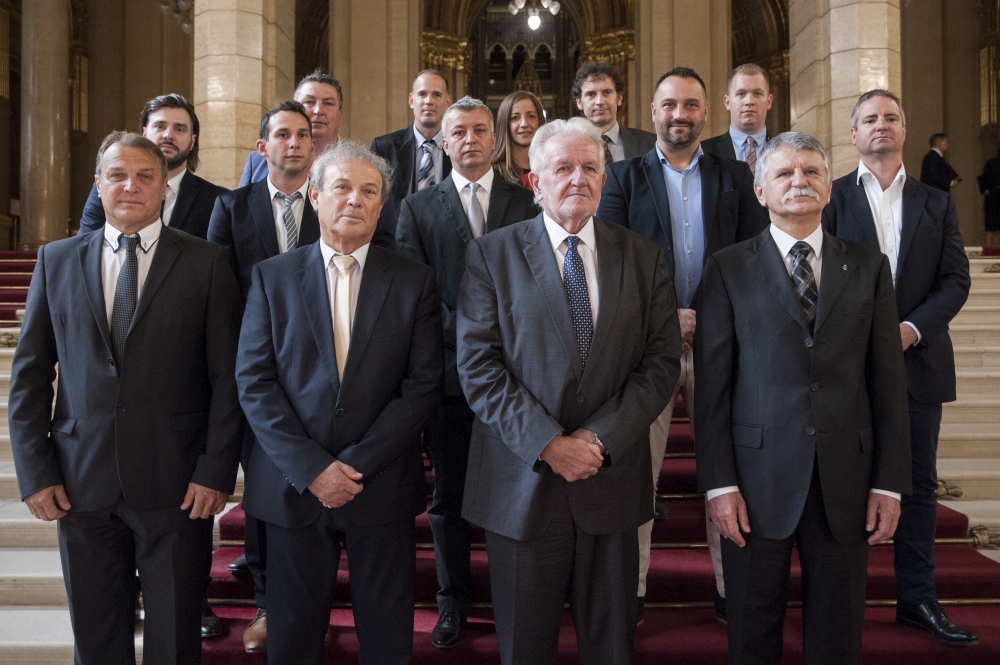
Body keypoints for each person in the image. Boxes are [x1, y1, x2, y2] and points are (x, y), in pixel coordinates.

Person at [9, 131, 243, 665]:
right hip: (79, 480)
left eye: (144, 176)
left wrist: (214, 471)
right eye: (117, 175)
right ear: (99, 185)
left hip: (176, 483)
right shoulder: (56, 260)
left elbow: (227, 379)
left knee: (175, 638)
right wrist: (35, 472)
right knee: (96, 639)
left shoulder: (207, 262)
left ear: (163, 188)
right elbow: (30, 376)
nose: (130, 186)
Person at [457, 117, 681, 665]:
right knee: (525, 650)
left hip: (611, 481)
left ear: (604, 179)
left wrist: (599, 439)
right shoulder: (492, 255)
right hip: (523, 484)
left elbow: (660, 363)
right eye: (563, 168)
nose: (578, 178)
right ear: (535, 182)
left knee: (611, 648)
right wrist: (550, 444)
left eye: (589, 167)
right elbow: (479, 367)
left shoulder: (644, 257)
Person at [697, 131, 912, 665]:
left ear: (830, 188)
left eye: (812, 171)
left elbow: (887, 383)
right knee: (752, 631)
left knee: (838, 635)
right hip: (755, 481)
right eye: (785, 173)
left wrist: (889, 483)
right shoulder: (727, 268)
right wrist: (720, 484)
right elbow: (713, 389)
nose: (800, 181)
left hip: (846, 480)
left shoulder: (869, 267)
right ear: (760, 191)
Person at [236, 140, 443, 665]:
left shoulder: (413, 281)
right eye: (343, 187)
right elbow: (255, 381)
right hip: (293, 488)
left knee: (387, 637)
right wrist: (313, 469)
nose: (355, 199)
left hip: (380, 485)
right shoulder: (272, 276)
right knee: (293, 638)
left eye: (369, 191)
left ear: (382, 205)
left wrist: (354, 466)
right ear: (314, 195)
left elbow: (422, 385)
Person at [596, 66, 769, 623]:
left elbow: (754, 258)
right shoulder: (621, 177)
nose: (680, 115)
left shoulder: (735, 177)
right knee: (637, 476)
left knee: (728, 472)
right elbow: (612, 262)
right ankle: (632, 592)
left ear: (707, 112)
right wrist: (666, 317)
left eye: (691, 105)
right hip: (647, 347)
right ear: (652, 112)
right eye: (669, 104)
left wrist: (708, 317)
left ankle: (730, 589)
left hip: (721, 344)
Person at [823, 90, 975, 646]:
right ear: (854, 134)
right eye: (869, 119)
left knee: (918, 486)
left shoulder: (936, 202)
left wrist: (911, 329)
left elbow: (955, 279)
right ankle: (844, 602)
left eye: (890, 117)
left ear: (905, 130)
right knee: (845, 485)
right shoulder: (833, 197)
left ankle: (918, 599)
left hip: (919, 363)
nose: (880, 125)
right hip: (847, 368)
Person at [395, 95, 539, 649]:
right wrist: (477, 329)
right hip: (450, 379)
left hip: (519, 378)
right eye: (459, 132)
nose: (471, 139)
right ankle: (453, 601)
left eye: (481, 130)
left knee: (515, 498)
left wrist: (502, 333)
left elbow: (539, 279)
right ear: (445, 142)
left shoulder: (525, 201)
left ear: (495, 140)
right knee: (449, 499)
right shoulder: (417, 208)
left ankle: (515, 600)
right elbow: (414, 292)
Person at [206, 99, 320, 653]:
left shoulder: (329, 200)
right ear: (263, 146)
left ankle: (312, 606)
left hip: (323, 371)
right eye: (282, 134)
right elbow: (218, 292)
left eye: (302, 134)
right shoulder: (232, 207)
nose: (293, 143)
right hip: (255, 371)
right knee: (265, 492)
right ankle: (268, 602)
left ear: (314, 146)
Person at [77, 93, 225, 239]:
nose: (168, 135)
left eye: (179, 129)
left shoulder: (217, 199)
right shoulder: (111, 188)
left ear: (192, 142)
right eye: (160, 126)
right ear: (144, 134)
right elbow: (87, 244)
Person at [370, 69, 454, 248]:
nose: (429, 101)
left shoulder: (458, 148)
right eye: (422, 94)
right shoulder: (383, 148)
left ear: (448, 102)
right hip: (396, 250)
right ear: (411, 100)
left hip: (447, 247)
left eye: (436, 95)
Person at [238, 68, 344, 186]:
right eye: (309, 102)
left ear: (339, 116)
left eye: (328, 103)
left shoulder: (355, 161)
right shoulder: (258, 161)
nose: (318, 110)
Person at [572, 61, 656, 163]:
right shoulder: (567, 146)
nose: (599, 101)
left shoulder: (651, 144)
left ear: (619, 98)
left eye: (607, 92)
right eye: (590, 94)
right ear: (579, 102)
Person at [700, 63, 772, 172]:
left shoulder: (787, 149)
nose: (749, 101)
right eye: (741, 94)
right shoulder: (703, 152)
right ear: (727, 102)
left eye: (757, 93)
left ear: (769, 101)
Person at [491, 90, 546, 187]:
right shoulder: (490, 172)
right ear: (505, 124)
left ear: (540, 121)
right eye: (515, 118)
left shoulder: (552, 167)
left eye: (531, 116)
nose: (524, 124)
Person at [977, 147, 1000, 246]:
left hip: (995, 197)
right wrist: (985, 190)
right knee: (990, 227)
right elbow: (984, 178)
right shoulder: (991, 163)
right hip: (993, 199)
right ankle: (989, 250)